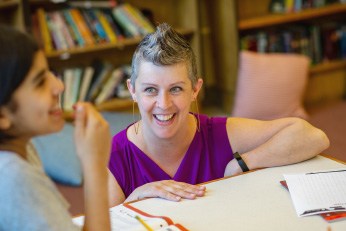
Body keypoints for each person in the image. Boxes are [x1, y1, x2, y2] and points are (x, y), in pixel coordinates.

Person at [108, 23, 330, 206]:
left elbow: (313, 136)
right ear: (132, 90)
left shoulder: (220, 133)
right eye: (150, 90)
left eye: (176, 89)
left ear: (195, 89)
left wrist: (242, 163)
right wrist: (134, 198)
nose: (164, 104)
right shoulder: (112, 156)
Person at [0, 26, 111, 231]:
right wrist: (95, 165)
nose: (59, 86)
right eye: (40, 82)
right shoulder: (13, 177)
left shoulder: (24, 148)